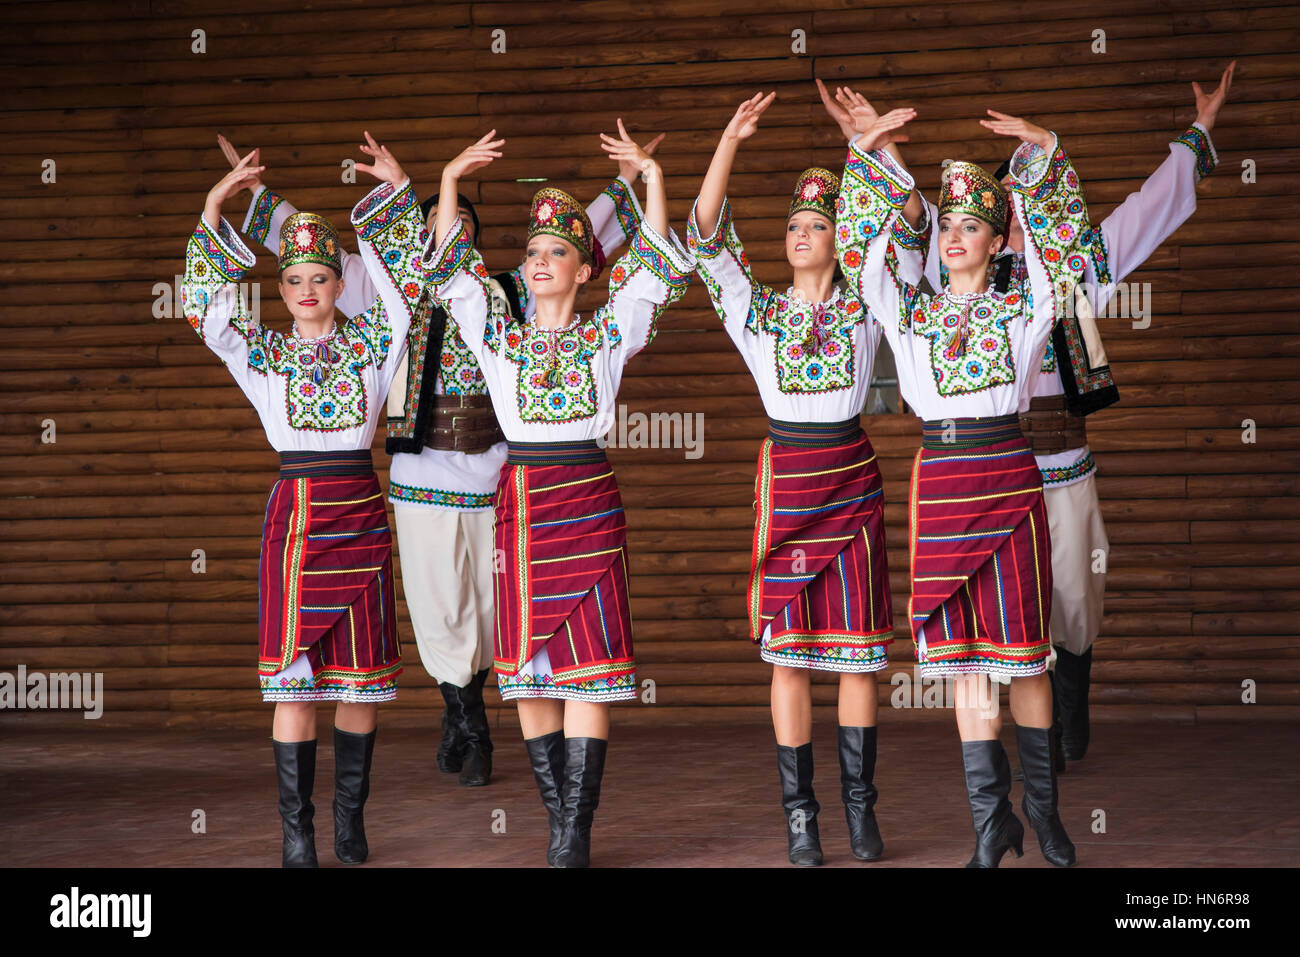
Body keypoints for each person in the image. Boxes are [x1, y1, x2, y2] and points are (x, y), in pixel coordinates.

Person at [216, 134, 654, 787]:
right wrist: (256, 199)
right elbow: (307, 256)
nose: (446, 234)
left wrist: (626, 186)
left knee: (494, 601)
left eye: (459, 230)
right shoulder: (380, 288)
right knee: (436, 602)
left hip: (499, 468)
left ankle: (475, 709)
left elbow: (573, 241)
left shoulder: (504, 293)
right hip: (420, 469)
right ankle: (465, 712)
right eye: (434, 225)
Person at [834, 62, 1234, 767]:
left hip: (1062, 461)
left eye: (1025, 205)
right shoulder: (946, 277)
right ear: (988, 227)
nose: (1016, 219)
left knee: (1076, 601)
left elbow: (1148, 210)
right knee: (997, 609)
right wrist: (875, 148)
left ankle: (1068, 701)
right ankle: (1019, 746)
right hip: (986, 466)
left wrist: (1199, 133)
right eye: (1005, 209)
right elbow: (914, 225)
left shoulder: (1074, 269)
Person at [421, 124, 693, 867]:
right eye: (533, 252)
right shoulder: (498, 337)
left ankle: (579, 826)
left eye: (558, 253)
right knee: (528, 671)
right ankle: (557, 818)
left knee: (591, 668)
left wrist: (653, 180)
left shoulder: (609, 333)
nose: (540, 261)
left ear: (582, 271)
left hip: (588, 499)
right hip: (527, 504)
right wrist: (448, 179)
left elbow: (658, 269)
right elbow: (450, 272)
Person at [834, 106, 1091, 867]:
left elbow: (1066, 259)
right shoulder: (907, 309)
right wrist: (868, 155)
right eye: (946, 226)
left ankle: (1043, 815)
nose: (951, 236)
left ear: (996, 238)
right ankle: (991, 825)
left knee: (1023, 656)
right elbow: (857, 253)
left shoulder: (1023, 305)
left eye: (970, 226)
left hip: (1009, 480)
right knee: (965, 664)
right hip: (942, 484)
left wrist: (1045, 153)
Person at [180, 135, 425, 866]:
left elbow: (410, 292)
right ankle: (298, 835)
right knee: (295, 682)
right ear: (281, 289)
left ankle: (349, 822)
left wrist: (400, 193)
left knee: (360, 681)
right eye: (297, 280)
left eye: (323, 276)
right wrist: (212, 209)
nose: (312, 288)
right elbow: (205, 314)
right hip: (296, 521)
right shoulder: (264, 355)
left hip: (358, 508)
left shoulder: (373, 345)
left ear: (335, 282)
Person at [686, 92, 894, 866]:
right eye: (792, 226)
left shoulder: (871, 305)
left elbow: (898, 234)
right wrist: (727, 142)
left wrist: (864, 146)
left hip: (851, 477)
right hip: (788, 484)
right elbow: (706, 240)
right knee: (790, 653)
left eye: (818, 225)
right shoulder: (759, 312)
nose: (801, 235)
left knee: (861, 652)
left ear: (843, 240)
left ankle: (860, 807)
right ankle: (801, 816)